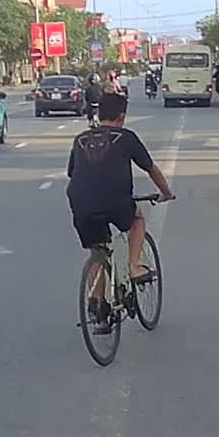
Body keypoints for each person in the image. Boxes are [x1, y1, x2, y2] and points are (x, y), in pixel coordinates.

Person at [66, 92, 175, 334]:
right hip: (115, 200)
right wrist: (166, 193)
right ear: (122, 117)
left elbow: (72, 173)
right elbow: (151, 169)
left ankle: (99, 308)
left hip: (80, 202)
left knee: (98, 250)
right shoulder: (126, 137)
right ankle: (134, 267)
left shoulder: (80, 139)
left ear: (98, 114)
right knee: (137, 219)